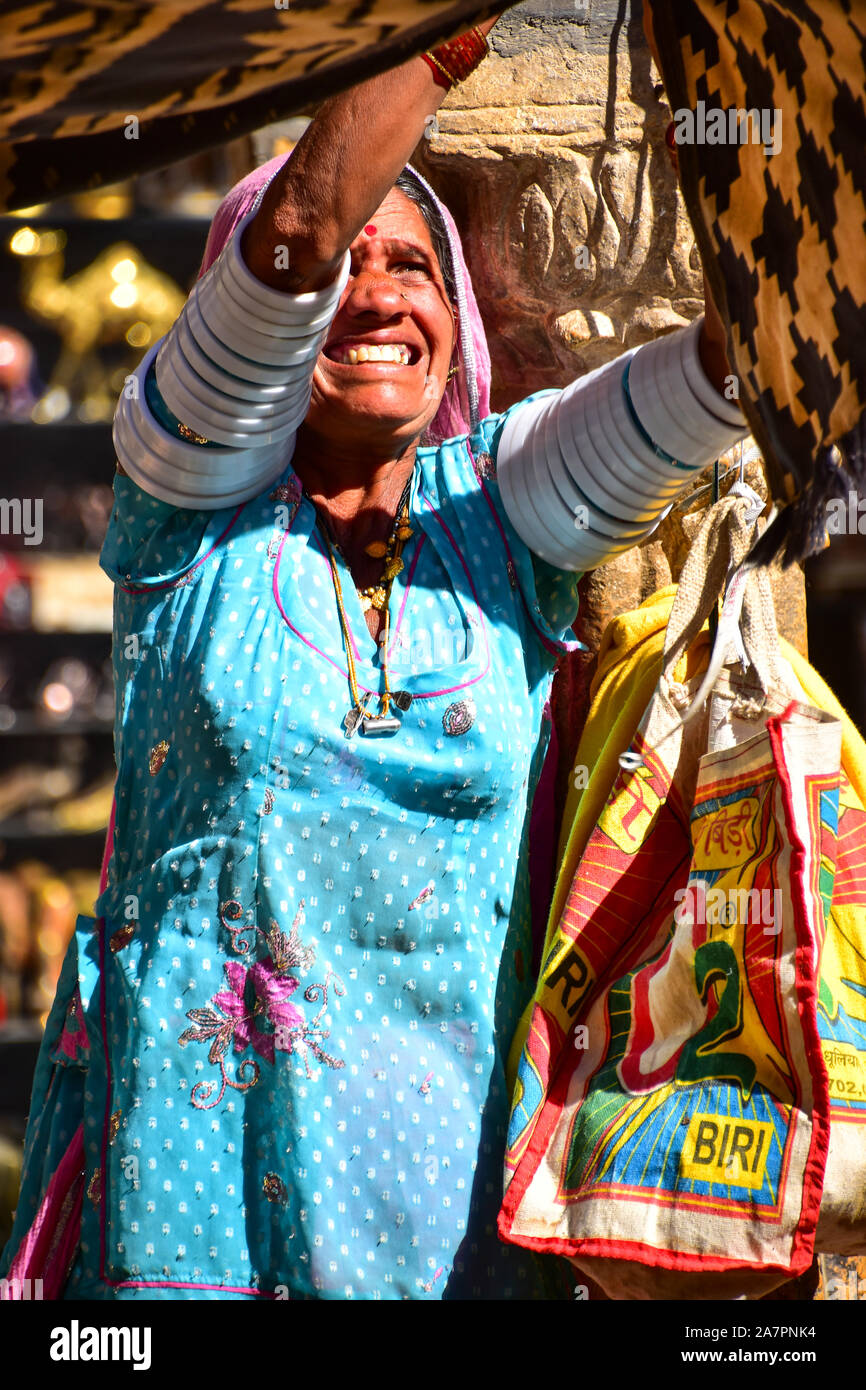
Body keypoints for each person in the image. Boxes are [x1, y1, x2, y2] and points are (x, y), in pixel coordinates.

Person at [2, 20, 748, 1301]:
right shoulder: (185, 502)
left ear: (455, 320)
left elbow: (719, 380)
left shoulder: (501, 514)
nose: (375, 292)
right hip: (198, 1212)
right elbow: (285, 247)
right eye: (349, 265)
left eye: (413, 267)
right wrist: (432, 38)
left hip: (447, 1224)